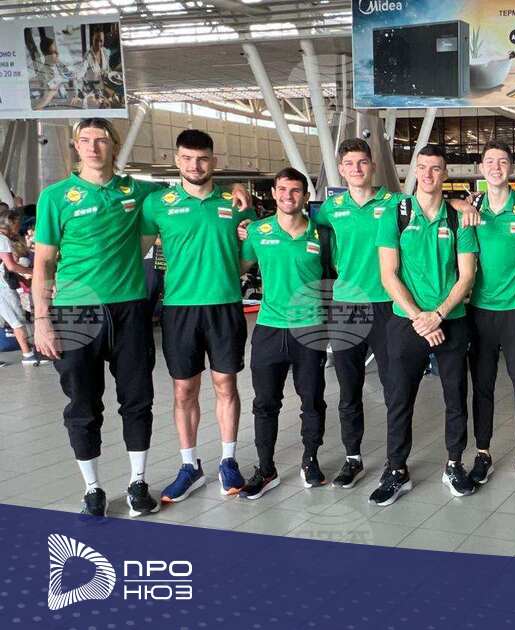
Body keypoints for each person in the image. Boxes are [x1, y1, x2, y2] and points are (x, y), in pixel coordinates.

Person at [32, 118, 250, 517]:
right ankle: (94, 488)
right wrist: (41, 319)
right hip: (77, 310)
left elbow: (197, 194)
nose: (93, 147)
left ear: (114, 146)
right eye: (85, 140)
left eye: (101, 140)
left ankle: (140, 482)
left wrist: (237, 188)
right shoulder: (58, 197)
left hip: (133, 308)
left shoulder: (142, 192)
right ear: (75, 147)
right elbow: (43, 262)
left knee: (139, 399)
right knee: (83, 403)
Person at [141, 129, 257, 503]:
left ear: (213, 161)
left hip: (225, 305)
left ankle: (228, 460)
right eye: (188, 158)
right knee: (183, 389)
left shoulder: (236, 203)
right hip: (179, 309)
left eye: (203, 158)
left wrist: (226, 273)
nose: (195, 165)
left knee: (226, 384)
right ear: (177, 160)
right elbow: (137, 251)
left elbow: (250, 251)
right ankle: (189, 466)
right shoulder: (157, 204)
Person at [373, 145, 479, 504]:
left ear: (445, 174)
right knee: (399, 398)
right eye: (423, 168)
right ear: (415, 172)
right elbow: (388, 274)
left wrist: (439, 315)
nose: (429, 174)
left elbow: (466, 276)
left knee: (455, 397)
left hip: (451, 320)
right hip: (407, 322)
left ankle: (454, 464)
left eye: (436, 168)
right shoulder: (396, 215)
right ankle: (396, 469)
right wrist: (420, 317)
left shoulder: (459, 219)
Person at [311, 138, 405, 490]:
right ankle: (353, 457)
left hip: (388, 305)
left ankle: (396, 462)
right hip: (346, 305)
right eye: (349, 163)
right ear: (341, 169)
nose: (356, 169)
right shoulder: (331, 208)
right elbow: (296, 220)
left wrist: (460, 201)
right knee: (349, 389)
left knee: (394, 387)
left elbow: (431, 206)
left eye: (362, 162)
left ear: (372, 165)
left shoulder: (395, 203)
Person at [237, 168, 329, 499]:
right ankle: (266, 469)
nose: (288, 196)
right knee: (265, 402)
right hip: (269, 328)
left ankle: (310, 460)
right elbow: (239, 267)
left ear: (305, 196)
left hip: (310, 327)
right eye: (282, 190)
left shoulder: (322, 235)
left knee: (312, 400)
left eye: (295, 191)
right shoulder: (258, 231)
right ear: (274, 193)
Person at [463, 141, 515, 485]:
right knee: (482, 386)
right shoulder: (470, 208)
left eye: (503, 161)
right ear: (481, 168)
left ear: (511, 168)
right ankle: (483, 453)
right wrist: (459, 203)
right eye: (490, 161)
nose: (496, 167)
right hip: (480, 312)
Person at [0, 208, 42, 364]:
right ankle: (28, 355)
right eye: (18, 223)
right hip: (2, 287)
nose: (19, 227)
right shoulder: (2, 239)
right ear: (11, 223)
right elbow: (11, 266)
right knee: (16, 319)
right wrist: (32, 272)